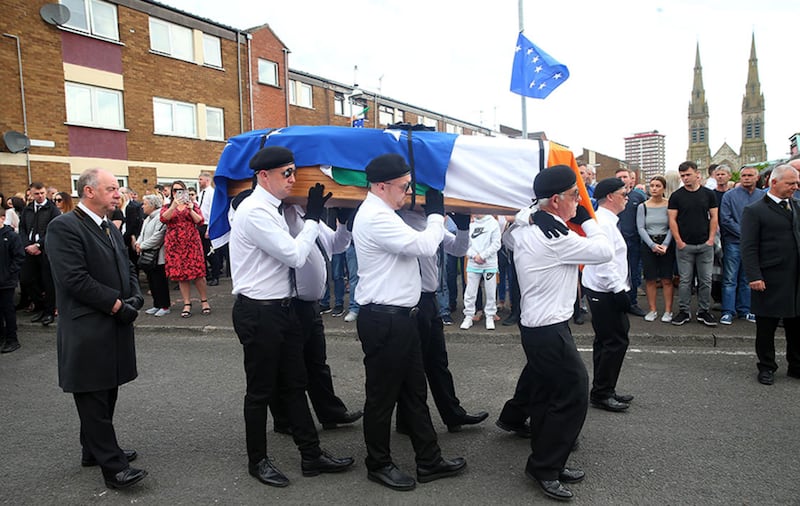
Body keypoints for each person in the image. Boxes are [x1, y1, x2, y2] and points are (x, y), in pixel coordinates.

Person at [229, 146, 353, 487]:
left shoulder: (280, 210)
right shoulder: (254, 211)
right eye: (287, 173)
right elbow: (295, 255)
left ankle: (311, 455)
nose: (293, 179)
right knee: (260, 391)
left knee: (296, 385)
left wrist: (315, 216)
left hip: (283, 309)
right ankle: (258, 461)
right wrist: (313, 217)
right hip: (259, 312)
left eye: (295, 172)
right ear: (263, 176)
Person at [352, 153, 466, 491]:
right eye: (403, 186)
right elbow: (424, 246)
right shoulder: (375, 216)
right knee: (382, 397)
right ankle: (378, 463)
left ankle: (428, 460)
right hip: (384, 320)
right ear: (382, 186)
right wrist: (435, 215)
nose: (407, 191)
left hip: (402, 319)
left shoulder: (387, 211)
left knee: (415, 393)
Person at [511, 165, 613, 501]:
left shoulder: (530, 228)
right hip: (549, 329)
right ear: (555, 201)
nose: (577, 202)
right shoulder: (556, 237)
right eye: (573, 197)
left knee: (545, 396)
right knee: (572, 395)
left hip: (538, 327)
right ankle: (545, 467)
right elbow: (603, 251)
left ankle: (547, 460)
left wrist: (529, 215)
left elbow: (507, 231)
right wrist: (587, 219)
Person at [46, 168, 147, 489]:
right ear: (89, 192)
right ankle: (113, 467)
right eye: (112, 189)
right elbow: (74, 279)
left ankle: (93, 449)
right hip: (88, 328)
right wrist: (118, 305)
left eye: (118, 189)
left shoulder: (109, 228)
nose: (119, 194)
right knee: (92, 395)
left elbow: (128, 266)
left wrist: (135, 296)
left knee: (106, 388)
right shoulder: (64, 227)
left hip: (113, 324)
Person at [269, 204, 363, 433]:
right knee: (290, 367)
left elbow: (337, 245)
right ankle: (286, 419)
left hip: (311, 305)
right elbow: (296, 254)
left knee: (317, 363)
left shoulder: (309, 216)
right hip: (291, 304)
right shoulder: (286, 216)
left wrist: (342, 224)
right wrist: (310, 217)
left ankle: (331, 412)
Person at [397, 208, 488, 434]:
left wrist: (464, 228)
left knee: (438, 362)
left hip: (429, 299)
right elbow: (425, 245)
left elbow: (458, 248)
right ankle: (406, 420)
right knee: (413, 366)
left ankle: (453, 415)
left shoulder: (431, 222)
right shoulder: (401, 222)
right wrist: (436, 218)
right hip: (410, 301)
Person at [741, 164, 800, 385]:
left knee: (796, 325)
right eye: (790, 183)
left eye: (796, 183)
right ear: (773, 183)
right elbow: (748, 247)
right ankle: (766, 367)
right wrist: (754, 276)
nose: (795, 187)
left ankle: (796, 365)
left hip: (795, 277)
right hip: (769, 277)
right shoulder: (755, 210)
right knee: (766, 327)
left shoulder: (797, 206)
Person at [582, 178, 635, 412]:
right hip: (603, 290)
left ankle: (603, 389)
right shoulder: (603, 223)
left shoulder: (607, 221)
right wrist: (618, 289)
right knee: (614, 341)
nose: (627, 197)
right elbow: (604, 260)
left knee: (607, 340)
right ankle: (603, 393)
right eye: (624, 193)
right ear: (611, 197)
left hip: (603, 288)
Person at [667, 161, 719, 327]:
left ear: (697, 174)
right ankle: (684, 311)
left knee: (705, 280)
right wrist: (679, 241)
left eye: (688, 175)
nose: (685, 178)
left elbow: (714, 217)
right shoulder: (676, 196)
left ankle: (704, 311)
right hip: (685, 246)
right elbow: (672, 220)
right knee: (685, 281)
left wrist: (711, 239)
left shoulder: (709, 194)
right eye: (682, 176)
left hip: (705, 244)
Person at [718, 166, 762, 325]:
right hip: (734, 242)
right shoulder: (730, 196)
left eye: (750, 175)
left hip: (755, 245)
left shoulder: (762, 196)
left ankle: (746, 310)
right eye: (743, 175)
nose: (746, 178)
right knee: (730, 278)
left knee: (747, 278)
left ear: (756, 177)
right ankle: (728, 311)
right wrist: (745, 234)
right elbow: (726, 219)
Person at [160, 181, 210, 317]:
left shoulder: (193, 205)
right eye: (175, 190)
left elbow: (200, 221)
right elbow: (163, 219)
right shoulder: (167, 205)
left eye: (180, 190)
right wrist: (173, 206)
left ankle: (204, 301)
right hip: (175, 243)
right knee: (181, 275)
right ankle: (187, 303)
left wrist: (191, 209)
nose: (177, 192)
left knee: (198, 273)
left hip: (191, 242)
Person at [18, 181, 60, 326]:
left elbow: (53, 230)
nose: (40, 196)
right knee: (26, 279)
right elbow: (22, 228)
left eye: (42, 193)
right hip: (29, 250)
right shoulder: (28, 209)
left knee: (48, 283)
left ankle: (49, 312)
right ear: (31, 193)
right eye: (37, 194)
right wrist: (27, 245)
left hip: (45, 250)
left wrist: (38, 245)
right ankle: (40, 306)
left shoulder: (52, 209)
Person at [637, 176, 675, 322]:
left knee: (666, 279)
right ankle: (652, 309)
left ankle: (668, 310)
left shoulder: (669, 204)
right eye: (652, 185)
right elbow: (640, 227)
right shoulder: (643, 206)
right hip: (649, 244)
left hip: (666, 242)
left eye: (658, 186)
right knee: (650, 279)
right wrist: (652, 245)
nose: (654, 188)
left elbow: (672, 225)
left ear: (663, 188)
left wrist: (665, 244)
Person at [459, 214, 501, 330]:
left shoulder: (493, 223)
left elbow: (496, 243)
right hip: (473, 263)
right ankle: (468, 316)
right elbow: (465, 244)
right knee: (470, 292)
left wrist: (483, 255)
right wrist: (474, 256)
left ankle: (490, 316)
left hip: (489, 264)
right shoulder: (470, 223)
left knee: (491, 291)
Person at [614, 169, 647, 317]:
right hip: (615, 241)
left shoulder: (639, 196)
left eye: (624, 177)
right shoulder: (612, 196)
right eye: (619, 177)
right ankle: (618, 302)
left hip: (634, 241)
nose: (622, 179)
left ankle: (632, 303)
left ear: (630, 179)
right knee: (616, 273)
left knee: (633, 273)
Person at [135, 194, 170, 316]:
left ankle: (164, 306)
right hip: (148, 255)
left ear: (152, 205)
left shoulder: (160, 218)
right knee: (152, 281)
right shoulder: (147, 218)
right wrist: (138, 243)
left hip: (158, 256)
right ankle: (156, 304)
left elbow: (158, 237)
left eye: (144, 204)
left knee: (160, 282)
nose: (142, 206)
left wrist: (142, 245)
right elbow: (142, 234)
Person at [0, 211, 26, 354]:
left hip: (6, 281)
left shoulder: (11, 236)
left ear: (3, 218)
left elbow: (19, 257)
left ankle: (12, 339)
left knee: (8, 310)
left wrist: (10, 273)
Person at [197, 171, 222, 286]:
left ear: (207, 180)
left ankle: (216, 276)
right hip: (200, 224)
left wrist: (210, 229)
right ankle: (208, 275)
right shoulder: (201, 194)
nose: (199, 182)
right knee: (203, 252)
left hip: (208, 225)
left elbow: (213, 211)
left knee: (211, 252)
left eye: (200, 179)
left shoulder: (212, 193)